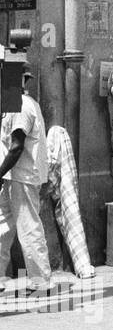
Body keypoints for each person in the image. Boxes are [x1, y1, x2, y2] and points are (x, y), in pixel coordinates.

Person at [0, 65, 51, 293]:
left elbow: (17, 147)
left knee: (28, 228)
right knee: (2, 227)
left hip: (22, 177)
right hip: (13, 177)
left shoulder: (21, 106)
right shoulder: (17, 104)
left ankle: (41, 282)